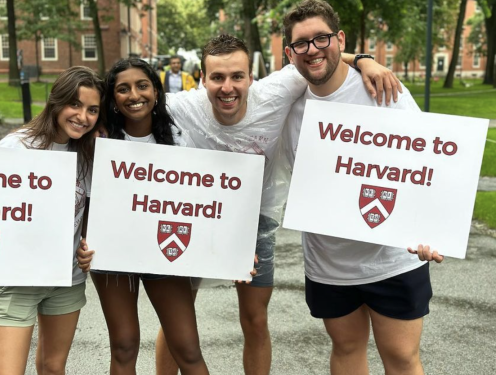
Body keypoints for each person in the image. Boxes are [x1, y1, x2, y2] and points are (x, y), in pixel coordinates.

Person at [78, 35, 400, 374]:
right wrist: (96, 123)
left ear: (251, 77)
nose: (227, 87)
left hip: (256, 216)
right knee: (178, 320)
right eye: (217, 77)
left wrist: (365, 59)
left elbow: (317, 54)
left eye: (237, 76)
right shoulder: (180, 106)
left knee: (255, 319)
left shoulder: (276, 90)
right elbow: (125, 100)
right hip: (198, 216)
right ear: (202, 78)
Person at [281, 1, 444, 374]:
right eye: (301, 44)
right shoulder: (286, 102)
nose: (313, 50)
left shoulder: (382, 89)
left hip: (391, 257)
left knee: (401, 357)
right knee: (347, 349)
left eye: (322, 38)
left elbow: (428, 161)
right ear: (290, 53)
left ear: (340, 38)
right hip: (329, 263)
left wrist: (430, 229)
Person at [86, 57, 210, 375]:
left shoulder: (182, 138)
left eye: (142, 85)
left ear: (156, 91)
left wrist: (232, 249)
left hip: (164, 248)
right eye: (123, 89)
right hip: (113, 254)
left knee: (187, 348)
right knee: (124, 345)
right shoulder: (98, 140)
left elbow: (207, 199)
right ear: (112, 99)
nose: (134, 95)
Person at [0, 66, 103, 375]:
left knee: (53, 368)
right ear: (56, 101)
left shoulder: (89, 154)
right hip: (15, 279)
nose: (83, 116)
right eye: (75, 104)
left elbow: (91, 213)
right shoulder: (17, 147)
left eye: (92, 110)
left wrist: (89, 245)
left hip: (66, 280)